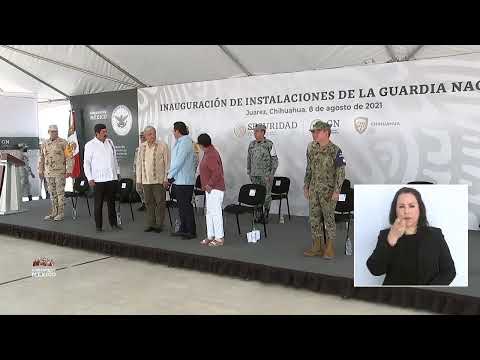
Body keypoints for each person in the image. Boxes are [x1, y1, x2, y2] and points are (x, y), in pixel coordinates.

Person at [366, 187, 456, 286]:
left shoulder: (435, 235)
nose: (406, 211)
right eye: (401, 206)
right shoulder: (385, 235)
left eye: (411, 206)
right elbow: (375, 270)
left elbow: (449, 271)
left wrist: (428, 292)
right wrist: (391, 240)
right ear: (395, 210)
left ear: (420, 209)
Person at [303, 120, 346, 259]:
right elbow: (308, 168)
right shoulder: (311, 148)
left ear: (326, 132)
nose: (314, 134)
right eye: (313, 132)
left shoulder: (335, 150)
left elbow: (341, 172)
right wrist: (306, 185)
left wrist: (337, 191)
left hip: (328, 191)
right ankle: (317, 246)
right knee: (314, 218)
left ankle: (330, 247)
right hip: (314, 190)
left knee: (328, 219)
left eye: (317, 131)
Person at [84, 123, 122, 232]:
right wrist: (89, 178)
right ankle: (98, 226)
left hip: (111, 178)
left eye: (106, 131)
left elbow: (114, 159)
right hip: (98, 180)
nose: (106, 134)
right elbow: (86, 163)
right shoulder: (90, 145)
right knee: (98, 204)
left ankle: (113, 224)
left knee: (111, 203)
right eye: (103, 132)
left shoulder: (110, 142)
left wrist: (117, 173)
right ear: (97, 133)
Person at [166, 121, 198, 239]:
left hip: (185, 181)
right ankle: (183, 228)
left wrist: (169, 177)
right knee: (181, 207)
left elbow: (179, 162)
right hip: (179, 180)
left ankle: (191, 231)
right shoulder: (180, 142)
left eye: (174, 130)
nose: (173, 132)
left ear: (178, 131)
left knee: (186, 206)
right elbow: (175, 162)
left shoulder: (185, 142)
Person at [136, 126, 170, 233]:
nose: (152, 136)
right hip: (146, 181)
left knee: (160, 202)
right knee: (148, 202)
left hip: (159, 181)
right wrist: (139, 180)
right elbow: (139, 164)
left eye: (154, 133)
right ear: (145, 136)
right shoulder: (142, 147)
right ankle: (151, 223)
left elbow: (168, 163)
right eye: (150, 134)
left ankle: (159, 225)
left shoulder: (163, 145)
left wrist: (166, 179)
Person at [38, 125, 73, 221]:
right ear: (48, 132)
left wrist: (69, 170)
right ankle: (54, 212)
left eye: (56, 131)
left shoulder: (64, 142)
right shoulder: (44, 143)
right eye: (52, 131)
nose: (54, 133)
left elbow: (70, 157)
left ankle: (61, 213)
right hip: (48, 173)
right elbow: (41, 158)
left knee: (60, 193)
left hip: (59, 172)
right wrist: (40, 170)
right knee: (52, 193)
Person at [197, 133, 225, 247]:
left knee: (216, 213)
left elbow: (217, 172)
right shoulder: (208, 152)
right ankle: (211, 236)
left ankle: (219, 238)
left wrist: (209, 184)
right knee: (209, 213)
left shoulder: (211, 154)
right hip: (210, 189)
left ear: (201, 144)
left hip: (215, 189)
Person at [246, 123, 278, 223]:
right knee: (256, 195)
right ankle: (258, 214)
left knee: (266, 195)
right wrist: (249, 171)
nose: (255, 134)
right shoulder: (252, 144)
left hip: (266, 176)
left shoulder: (269, 144)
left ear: (263, 132)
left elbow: (275, 160)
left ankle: (266, 214)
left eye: (257, 131)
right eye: (254, 132)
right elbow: (249, 158)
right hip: (254, 175)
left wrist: (271, 174)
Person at [133, 131, 147, 211]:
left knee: (147, 190)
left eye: (143, 136)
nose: (142, 138)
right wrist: (134, 172)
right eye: (141, 136)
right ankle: (144, 202)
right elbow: (135, 162)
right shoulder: (137, 149)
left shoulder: (149, 148)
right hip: (138, 173)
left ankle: (148, 204)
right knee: (138, 189)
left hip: (146, 173)